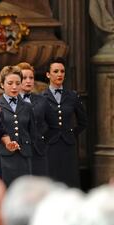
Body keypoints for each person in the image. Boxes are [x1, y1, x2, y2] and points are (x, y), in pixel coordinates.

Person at [42, 57, 87, 187]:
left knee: (69, 179)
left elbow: (83, 121)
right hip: (49, 145)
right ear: (48, 74)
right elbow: (37, 122)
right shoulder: (41, 97)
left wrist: (71, 133)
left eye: (62, 71)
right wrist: (45, 135)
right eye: (56, 71)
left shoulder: (72, 96)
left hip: (68, 145)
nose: (60, 74)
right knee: (51, 179)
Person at [0, 65, 36, 186]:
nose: (14, 87)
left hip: (24, 156)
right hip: (4, 157)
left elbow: (32, 131)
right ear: (2, 84)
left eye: (18, 83)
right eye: (10, 83)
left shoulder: (27, 106)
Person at [17, 62, 50, 176]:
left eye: (31, 78)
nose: (28, 81)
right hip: (18, 151)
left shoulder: (42, 100)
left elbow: (50, 124)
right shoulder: (10, 102)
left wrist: (42, 139)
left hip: (38, 150)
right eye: (24, 78)